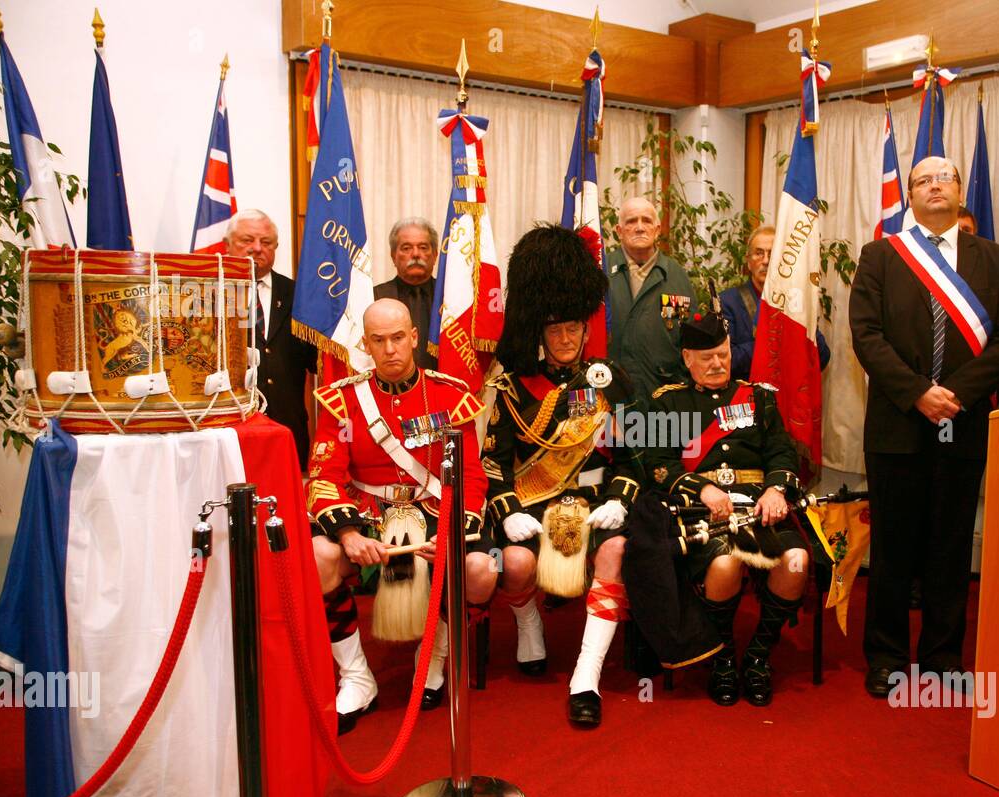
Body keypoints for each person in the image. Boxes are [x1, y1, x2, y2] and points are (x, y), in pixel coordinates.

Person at [849, 156, 999, 698]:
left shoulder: (993, 259)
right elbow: (866, 335)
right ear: (911, 194)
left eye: (943, 178)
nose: (934, 186)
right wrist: (917, 392)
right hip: (898, 424)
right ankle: (887, 655)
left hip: (964, 422)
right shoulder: (881, 255)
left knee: (950, 546)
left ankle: (944, 654)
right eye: (923, 180)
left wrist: (958, 395)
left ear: (959, 189)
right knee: (895, 547)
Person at [307, 299, 497, 734]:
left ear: (414, 338)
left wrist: (450, 532)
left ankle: (433, 654)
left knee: (482, 570)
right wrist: (349, 533)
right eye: (379, 340)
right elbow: (323, 476)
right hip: (368, 514)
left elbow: (470, 478)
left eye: (398, 338)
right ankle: (357, 676)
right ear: (366, 345)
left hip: (433, 511)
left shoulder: (450, 396)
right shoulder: (343, 402)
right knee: (319, 556)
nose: (390, 349)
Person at [484, 225, 643, 727]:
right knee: (511, 563)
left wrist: (620, 497)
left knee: (616, 549)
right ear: (539, 332)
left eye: (574, 327)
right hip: (534, 504)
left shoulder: (610, 380)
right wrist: (507, 511)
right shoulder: (514, 387)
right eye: (556, 330)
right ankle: (529, 624)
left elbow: (633, 456)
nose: (568, 338)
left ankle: (586, 675)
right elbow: (493, 460)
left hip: (595, 500)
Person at [642, 304, 808, 707]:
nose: (718, 364)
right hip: (702, 513)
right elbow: (657, 465)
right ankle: (721, 659)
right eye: (706, 358)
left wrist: (776, 491)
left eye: (723, 354)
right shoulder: (669, 404)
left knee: (798, 560)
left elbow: (782, 455)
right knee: (725, 564)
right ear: (686, 359)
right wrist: (700, 489)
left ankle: (756, 657)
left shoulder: (758, 399)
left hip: (758, 506)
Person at [226, 209, 318, 469]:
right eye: (247, 240)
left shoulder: (299, 295)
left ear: (276, 247)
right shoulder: (208, 294)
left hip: (286, 431)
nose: (256, 248)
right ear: (228, 244)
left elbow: (318, 362)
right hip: (228, 432)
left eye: (265, 242)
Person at [606, 196, 697, 400]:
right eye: (631, 221)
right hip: (609, 399)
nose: (639, 227)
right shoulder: (600, 273)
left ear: (657, 230)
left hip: (664, 400)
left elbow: (690, 341)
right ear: (619, 231)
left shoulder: (677, 275)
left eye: (646, 221)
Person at [719, 224, 830, 381]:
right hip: (748, 397)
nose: (765, 261)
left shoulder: (795, 302)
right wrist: (774, 341)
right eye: (759, 253)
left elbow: (823, 357)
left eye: (773, 254)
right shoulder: (728, 302)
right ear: (748, 262)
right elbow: (726, 360)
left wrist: (802, 326)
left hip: (790, 395)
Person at [372, 217, 439, 370]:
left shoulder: (449, 298)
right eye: (406, 248)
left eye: (423, 247)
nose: (415, 254)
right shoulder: (375, 297)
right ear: (393, 256)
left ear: (435, 255)